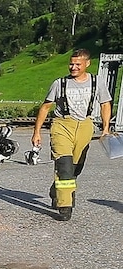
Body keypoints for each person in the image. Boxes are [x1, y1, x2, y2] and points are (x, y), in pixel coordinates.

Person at [32, 48, 112, 221]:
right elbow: (45, 107)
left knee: (76, 167)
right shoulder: (59, 83)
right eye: (71, 63)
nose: (73, 67)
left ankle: (57, 190)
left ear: (87, 64)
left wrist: (105, 129)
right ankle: (65, 206)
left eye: (77, 64)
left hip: (85, 126)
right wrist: (37, 132)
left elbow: (105, 104)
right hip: (62, 125)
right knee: (65, 166)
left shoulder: (97, 82)